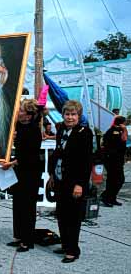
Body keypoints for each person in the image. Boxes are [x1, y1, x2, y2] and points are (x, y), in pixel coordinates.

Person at [48, 100, 93, 263]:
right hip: (60, 180)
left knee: (73, 217)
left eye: (73, 114)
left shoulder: (84, 133)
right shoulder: (61, 131)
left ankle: (73, 250)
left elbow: (86, 161)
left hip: (74, 182)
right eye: (67, 114)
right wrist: (52, 175)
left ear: (79, 116)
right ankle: (65, 244)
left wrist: (80, 184)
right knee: (62, 214)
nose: (70, 117)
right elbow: (57, 154)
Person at [2, 99, 42, 252]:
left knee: (27, 206)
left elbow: (30, 156)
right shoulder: (19, 125)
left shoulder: (34, 130)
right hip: (19, 171)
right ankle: (18, 236)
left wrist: (11, 163)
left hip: (30, 172)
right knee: (17, 204)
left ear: (29, 115)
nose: (18, 112)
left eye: (21, 110)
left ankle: (28, 240)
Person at [100, 115, 128, 207]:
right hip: (112, 159)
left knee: (118, 179)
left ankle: (111, 197)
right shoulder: (113, 131)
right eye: (125, 123)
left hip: (117, 159)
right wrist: (124, 130)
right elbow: (123, 139)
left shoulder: (119, 130)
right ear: (121, 123)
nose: (126, 124)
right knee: (114, 179)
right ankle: (106, 197)